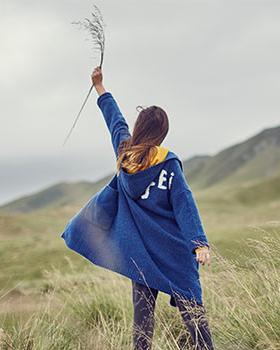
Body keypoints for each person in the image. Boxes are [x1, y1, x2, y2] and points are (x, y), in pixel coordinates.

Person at [61, 66, 215, 350]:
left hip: (140, 254)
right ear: (163, 132)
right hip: (174, 252)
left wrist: (100, 87)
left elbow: (114, 120)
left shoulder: (125, 153)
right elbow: (185, 205)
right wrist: (199, 244)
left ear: (139, 128)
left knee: (142, 319)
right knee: (193, 311)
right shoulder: (168, 164)